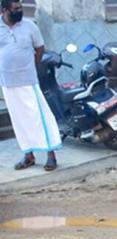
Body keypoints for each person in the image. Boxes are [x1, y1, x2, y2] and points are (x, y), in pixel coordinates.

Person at [1, 0, 61, 171]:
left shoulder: (29, 26)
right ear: (5, 10)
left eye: (20, 7)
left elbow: (40, 49)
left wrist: (31, 65)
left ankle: (51, 155)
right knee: (19, 121)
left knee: (39, 118)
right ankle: (29, 155)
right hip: (7, 83)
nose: (20, 11)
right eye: (16, 9)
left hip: (28, 80)